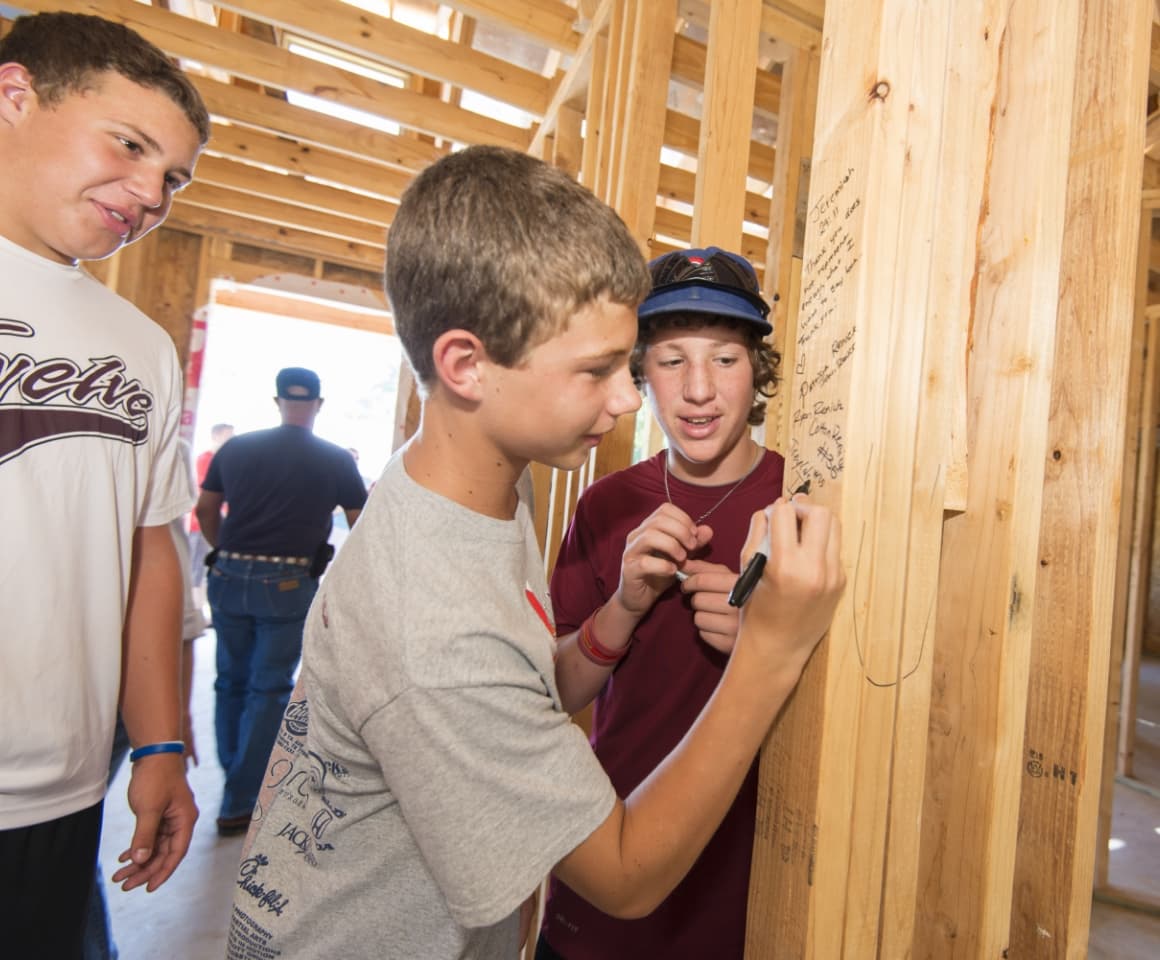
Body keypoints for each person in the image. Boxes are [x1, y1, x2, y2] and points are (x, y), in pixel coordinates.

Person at [227, 145, 844, 960]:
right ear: (467, 365)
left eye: (720, 359)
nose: (632, 399)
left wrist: (620, 612)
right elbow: (623, 875)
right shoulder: (435, 629)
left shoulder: (470, 488)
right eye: (603, 371)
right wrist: (771, 647)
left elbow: (518, 690)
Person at [0, 11, 210, 957]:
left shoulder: (140, 344)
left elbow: (147, 547)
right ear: (14, 97)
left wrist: (160, 742)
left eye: (172, 177)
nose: (148, 191)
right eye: (128, 145)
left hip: (62, 789)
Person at [537, 247, 783, 960]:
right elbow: (554, 691)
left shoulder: (802, 503)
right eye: (672, 359)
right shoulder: (607, 504)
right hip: (605, 857)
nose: (698, 389)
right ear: (640, 373)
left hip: (744, 885)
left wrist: (764, 643)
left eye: (726, 360)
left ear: (757, 370)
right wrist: (624, 604)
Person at [195, 367, 367, 835]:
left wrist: (223, 549)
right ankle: (240, 798)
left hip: (228, 571)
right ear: (318, 404)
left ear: (277, 401)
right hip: (289, 580)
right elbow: (361, 526)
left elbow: (206, 509)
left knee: (229, 680)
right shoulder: (335, 459)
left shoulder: (237, 448)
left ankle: (235, 774)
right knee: (268, 687)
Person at [189, 421, 234, 599]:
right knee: (196, 564)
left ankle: (199, 600)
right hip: (199, 522)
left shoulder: (226, 459)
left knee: (207, 563)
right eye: (227, 435)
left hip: (219, 521)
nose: (230, 439)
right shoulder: (206, 458)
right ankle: (196, 600)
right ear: (216, 436)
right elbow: (205, 497)